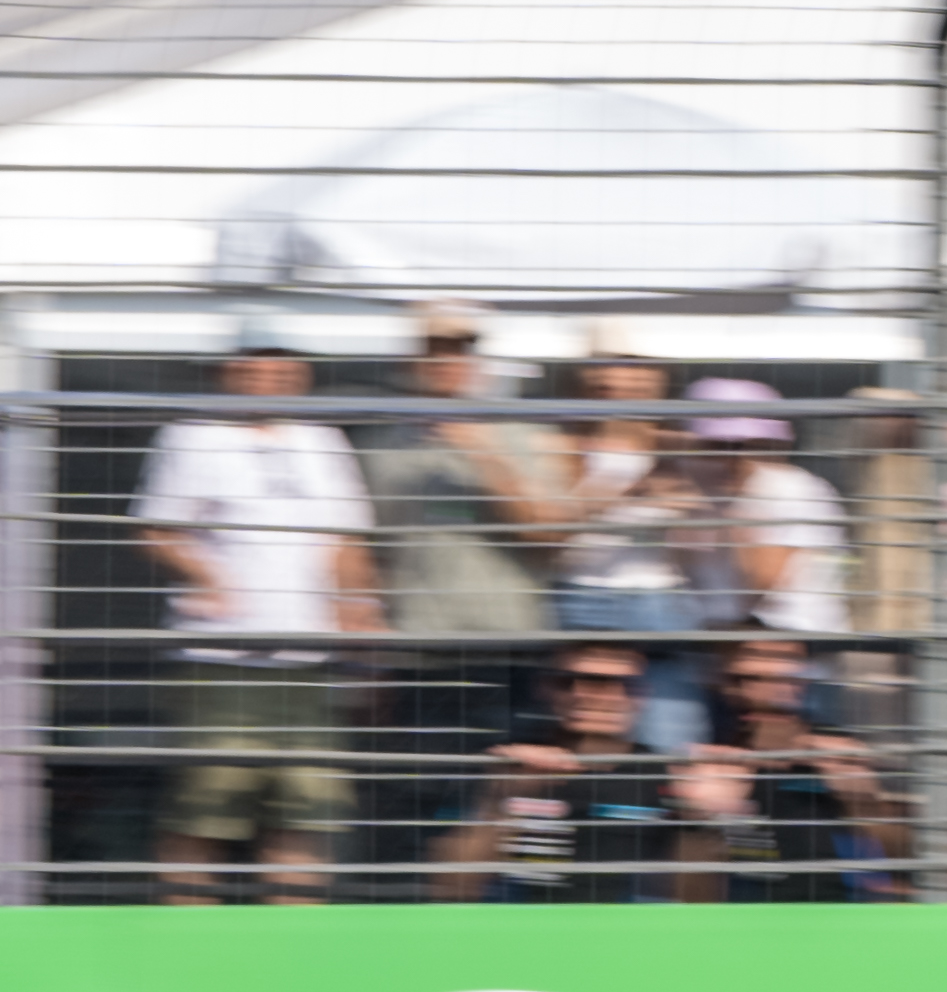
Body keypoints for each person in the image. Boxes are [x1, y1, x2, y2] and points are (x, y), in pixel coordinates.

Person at [132, 328, 380, 903]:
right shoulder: (192, 435)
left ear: (303, 376)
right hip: (221, 658)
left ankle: (290, 947)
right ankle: (185, 944)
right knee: (204, 815)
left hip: (310, 661)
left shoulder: (323, 440)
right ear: (227, 373)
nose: (269, 378)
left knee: (306, 817)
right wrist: (207, 577)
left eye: (282, 367)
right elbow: (156, 530)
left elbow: (348, 539)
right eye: (254, 366)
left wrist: (360, 611)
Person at [358, 304, 567, 847]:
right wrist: (372, 650)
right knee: (422, 807)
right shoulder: (380, 447)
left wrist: (478, 448)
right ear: (411, 361)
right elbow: (367, 550)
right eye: (435, 351)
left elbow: (549, 532)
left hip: (508, 652)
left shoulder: (523, 435)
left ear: (478, 362)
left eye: (459, 351)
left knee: (507, 806)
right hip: (421, 656)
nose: (447, 364)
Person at [548, 328, 710, 753]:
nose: (616, 377)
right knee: (580, 731)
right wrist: (628, 490)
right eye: (607, 366)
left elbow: (703, 532)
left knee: (669, 731)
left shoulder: (677, 443)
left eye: (632, 366)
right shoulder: (567, 441)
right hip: (580, 595)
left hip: (658, 596)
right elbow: (553, 524)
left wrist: (687, 507)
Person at [667, 636, 906, 900]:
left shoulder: (835, 747)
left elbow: (890, 848)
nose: (786, 678)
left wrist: (861, 801)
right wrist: (701, 815)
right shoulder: (719, 753)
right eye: (768, 672)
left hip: (828, 905)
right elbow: (692, 870)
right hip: (750, 909)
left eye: (792, 665)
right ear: (738, 682)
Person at [438, 642, 674, 901]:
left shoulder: (661, 775)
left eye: (605, 682)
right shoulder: (509, 763)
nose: (581, 693)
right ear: (543, 687)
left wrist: (698, 820)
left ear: (639, 694)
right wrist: (501, 800)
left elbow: (688, 900)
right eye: (566, 682)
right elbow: (452, 887)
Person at [672, 378, 850, 637]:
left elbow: (758, 585)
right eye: (716, 445)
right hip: (718, 640)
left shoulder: (794, 490)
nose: (731, 458)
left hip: (788, 640)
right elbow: (692, 579)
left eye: (744, 446)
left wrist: (730, 514)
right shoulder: (698, 491)